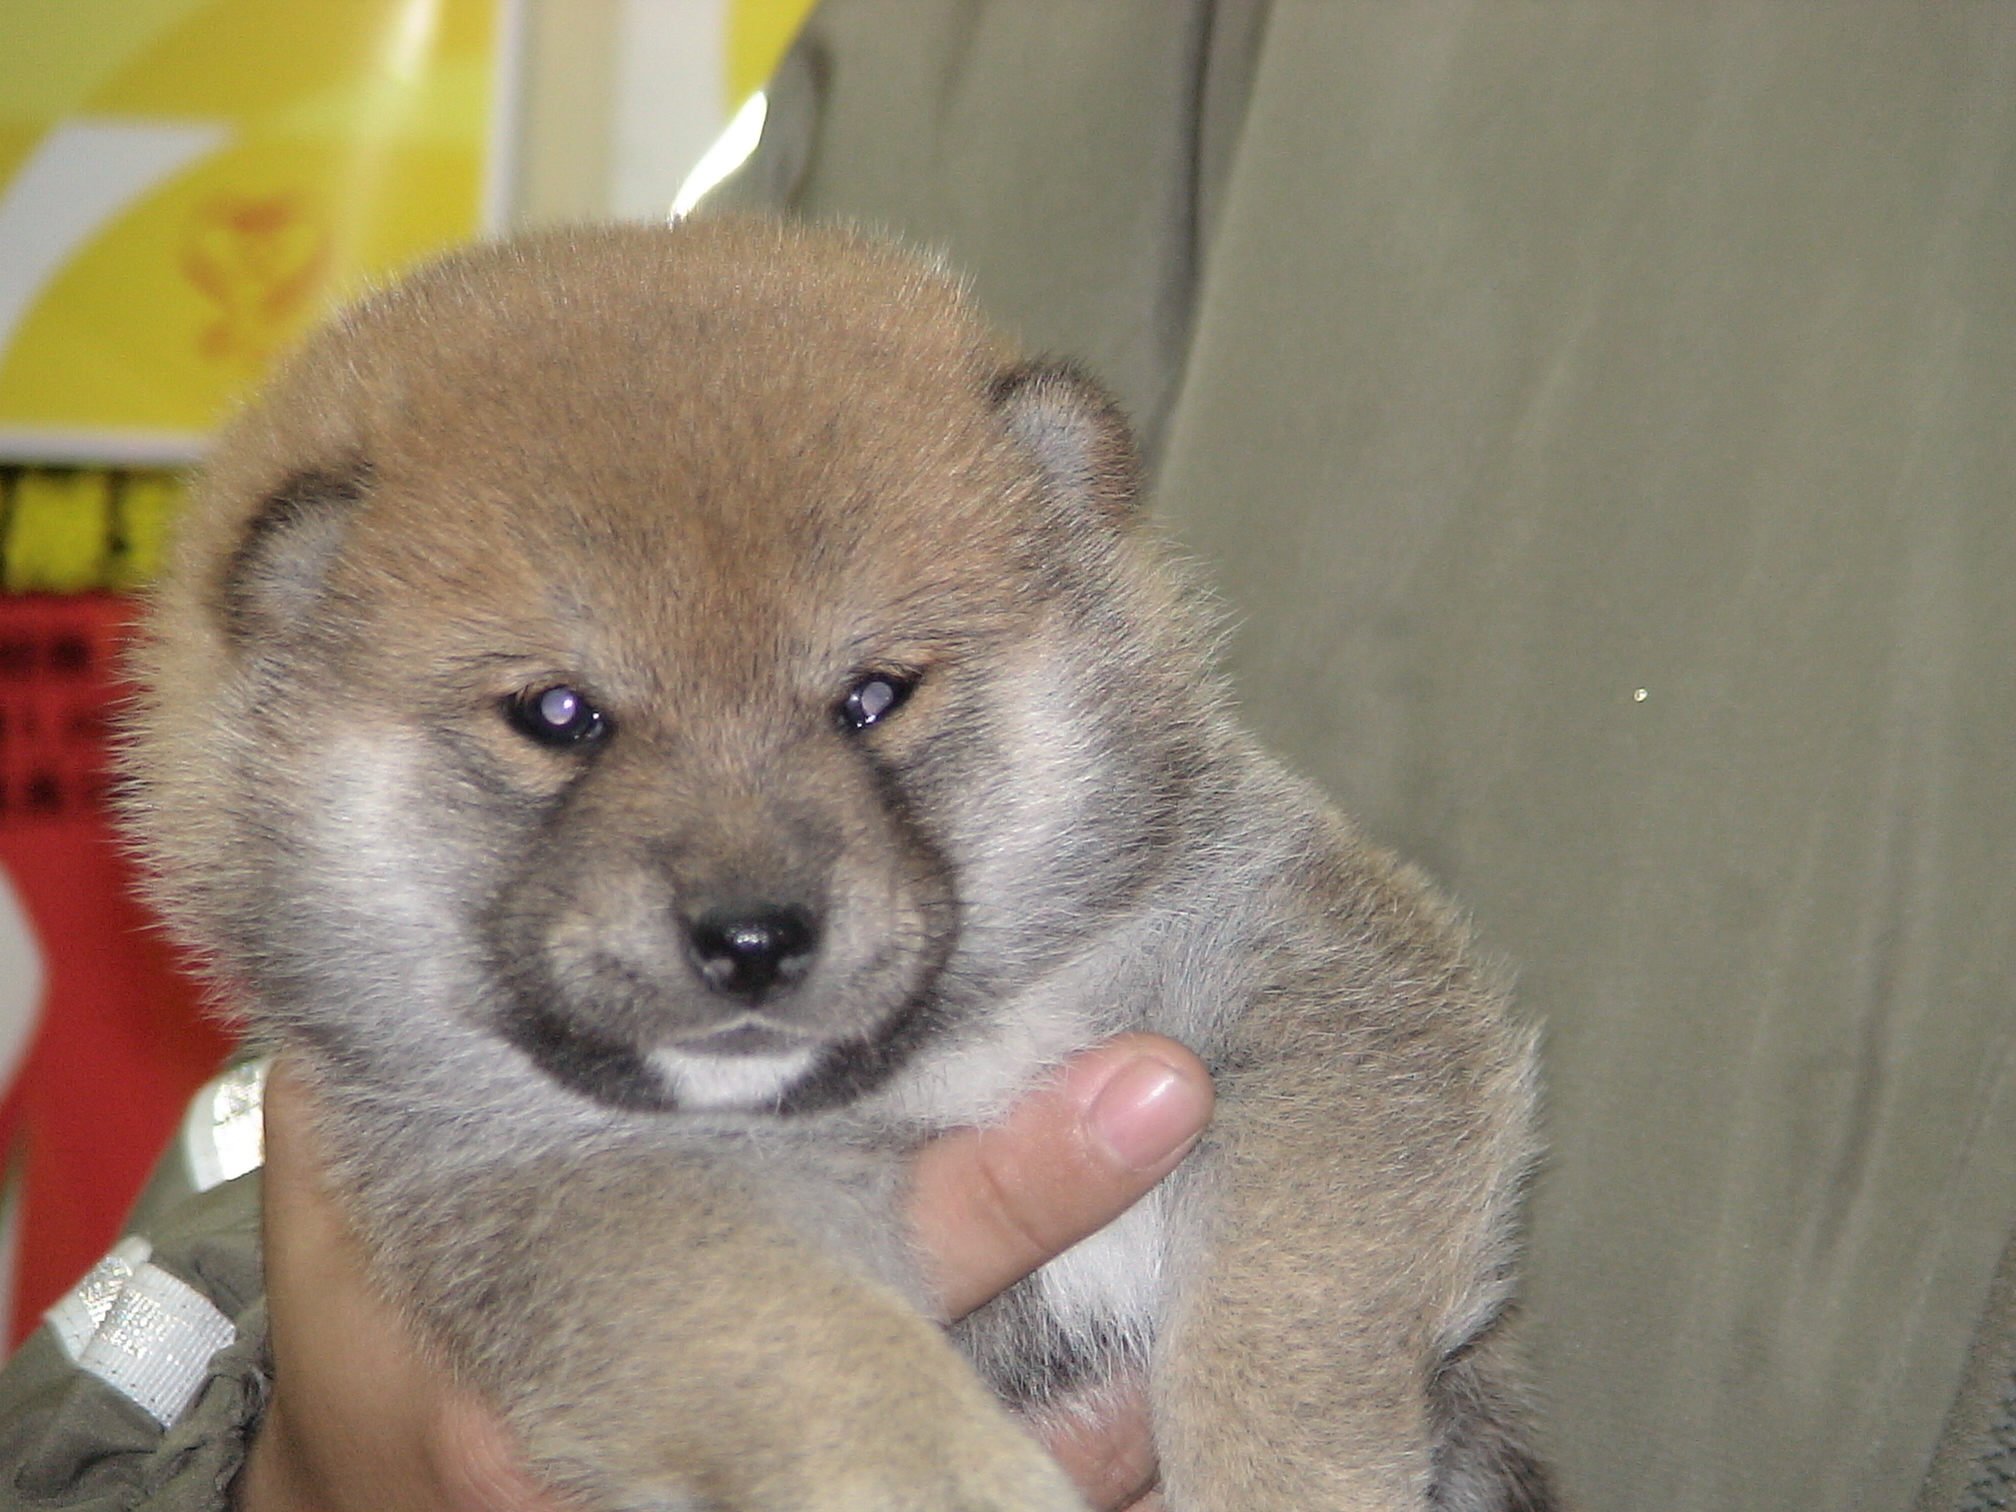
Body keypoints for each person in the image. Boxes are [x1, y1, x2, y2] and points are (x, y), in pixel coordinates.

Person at [9, 4, 2016, 1509]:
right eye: (555, 722)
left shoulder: (1146, 840)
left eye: (877, 701)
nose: (751, 878)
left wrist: (1295, 1444)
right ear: (285, 659)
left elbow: (1366, 1043)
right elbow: (542, 1284)